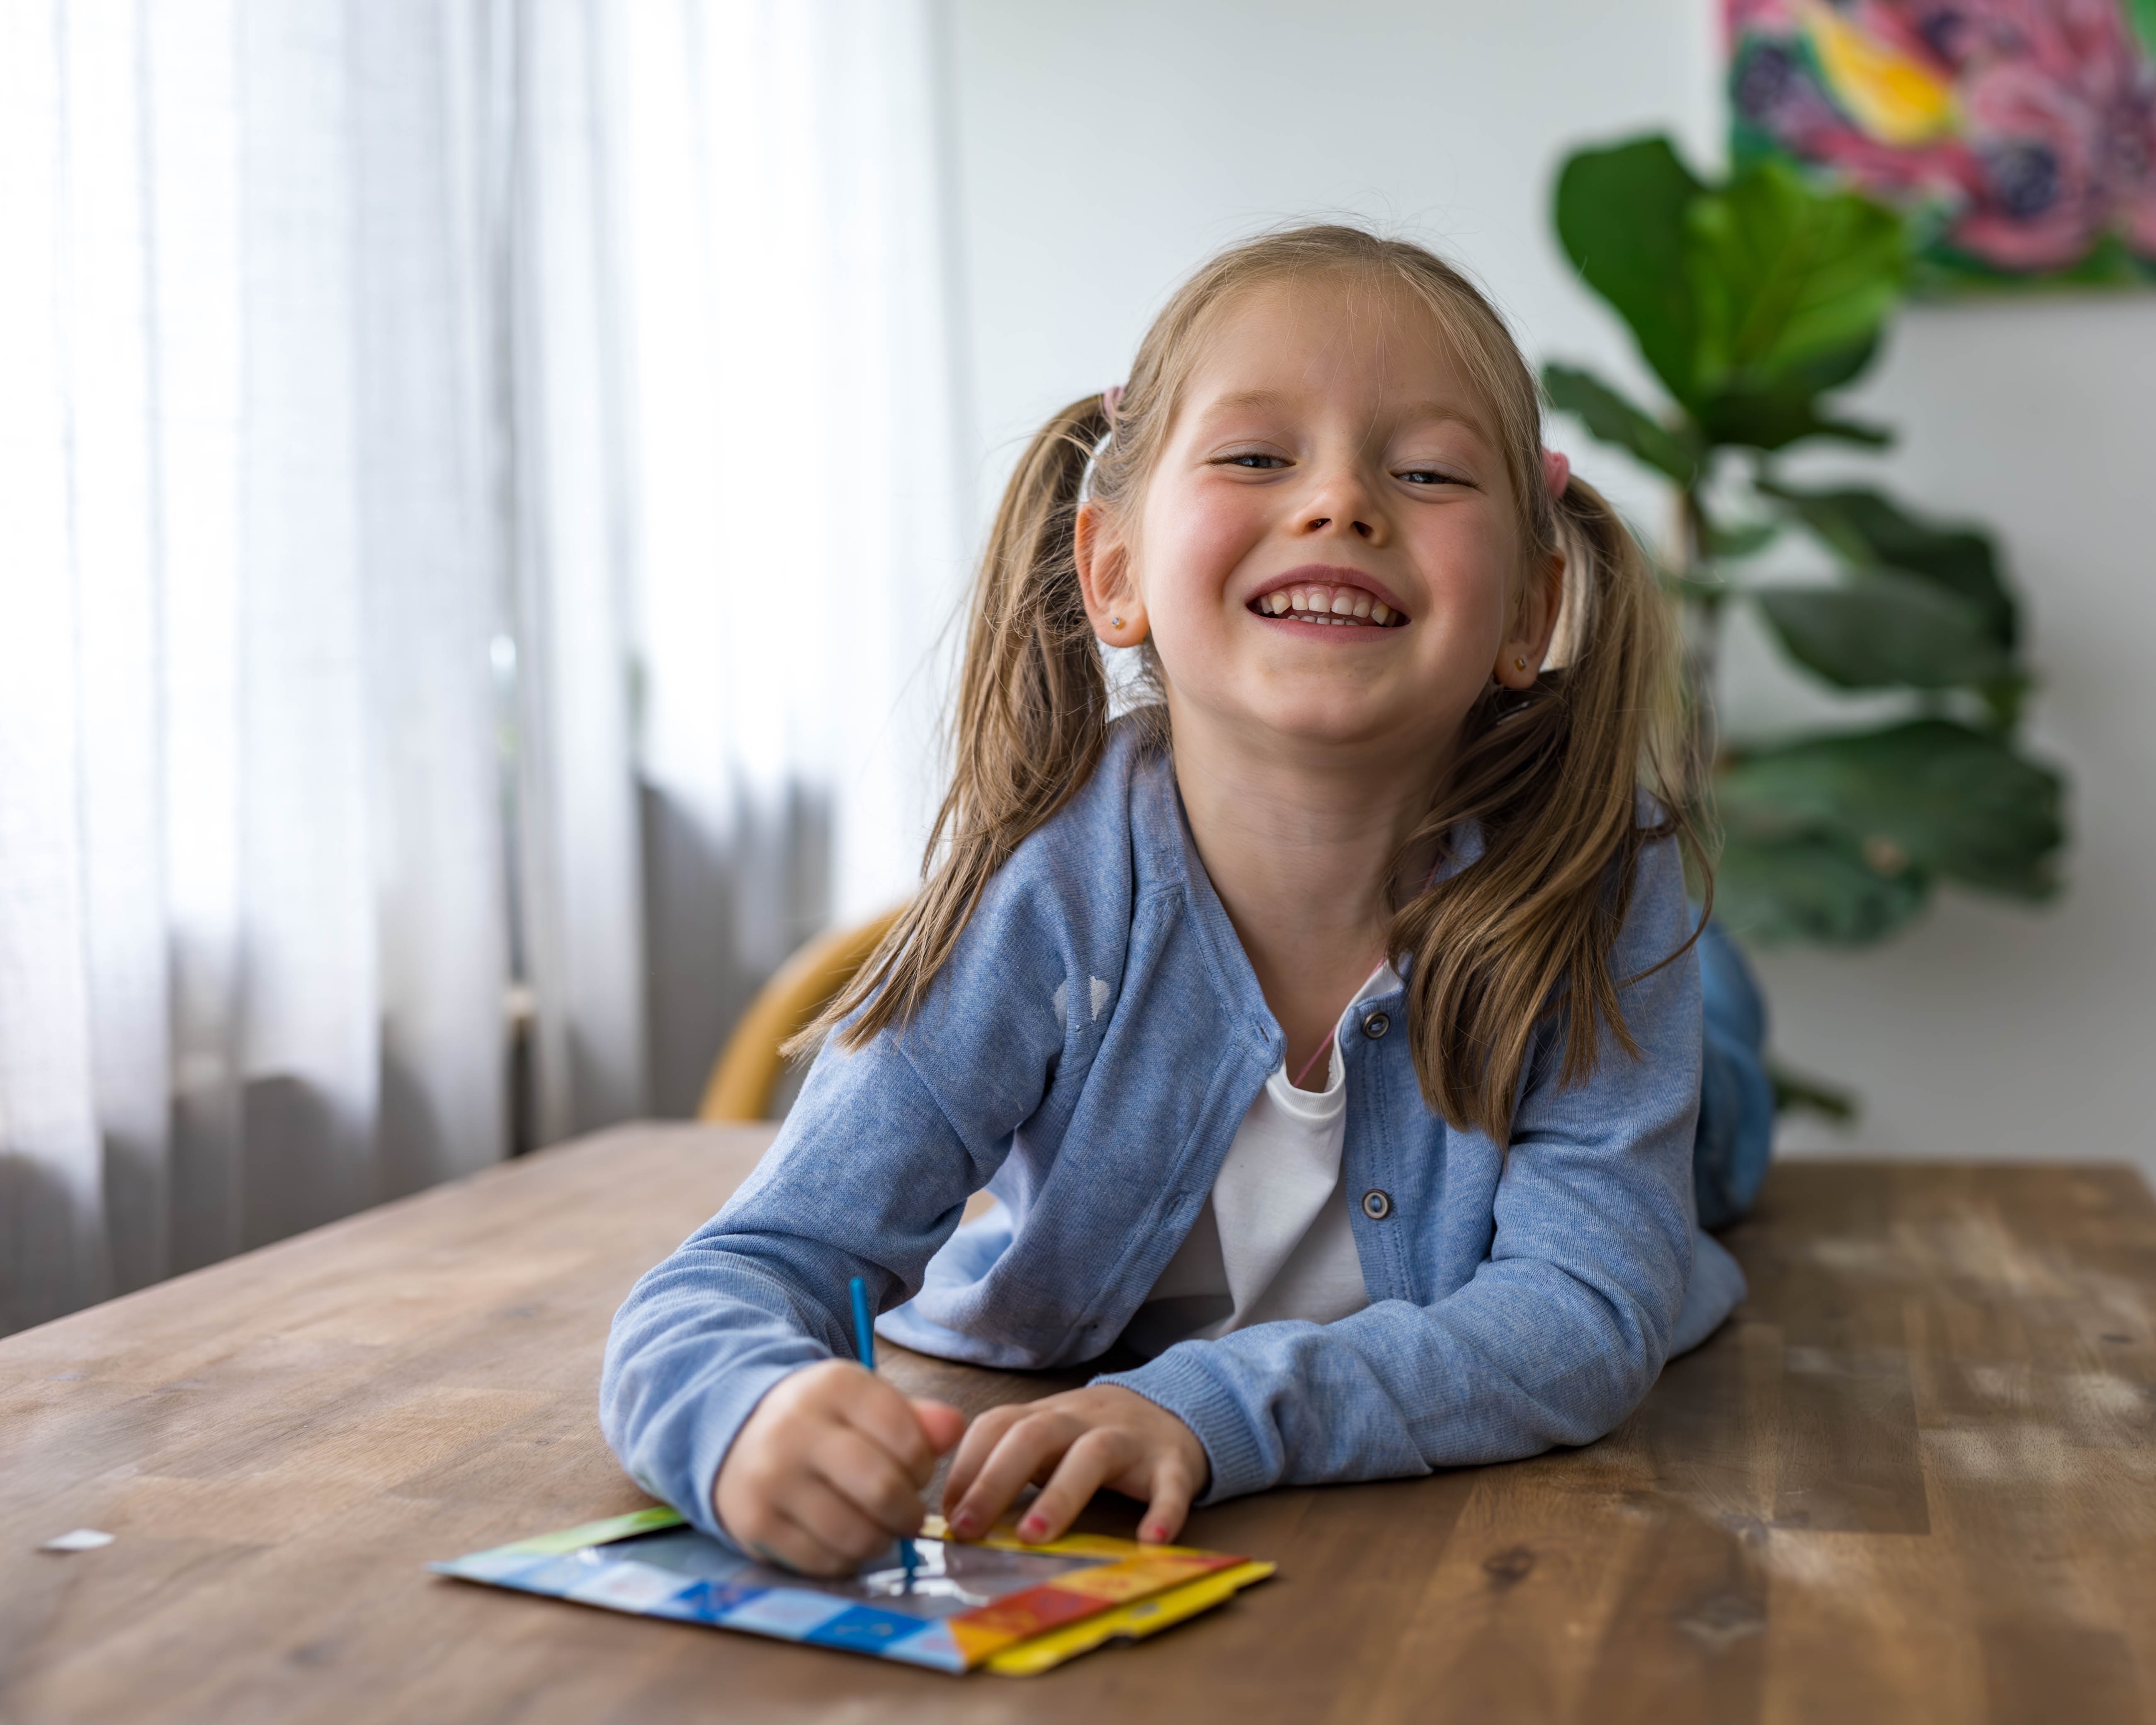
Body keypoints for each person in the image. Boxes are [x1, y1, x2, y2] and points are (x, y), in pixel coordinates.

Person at [599, 225, 1756, 1577]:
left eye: (1429, 472)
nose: (1342, 503)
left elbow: (1587, 1310)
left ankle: (1719, 1003)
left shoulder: (1606, 880)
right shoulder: (1043, 893)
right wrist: (741, 1417)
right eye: (1257, 457)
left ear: (1529, 610)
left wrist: (1206, 1409)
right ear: (1114, 571)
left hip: (1629, 996)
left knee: (1718, 1119)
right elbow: (736, 1277)